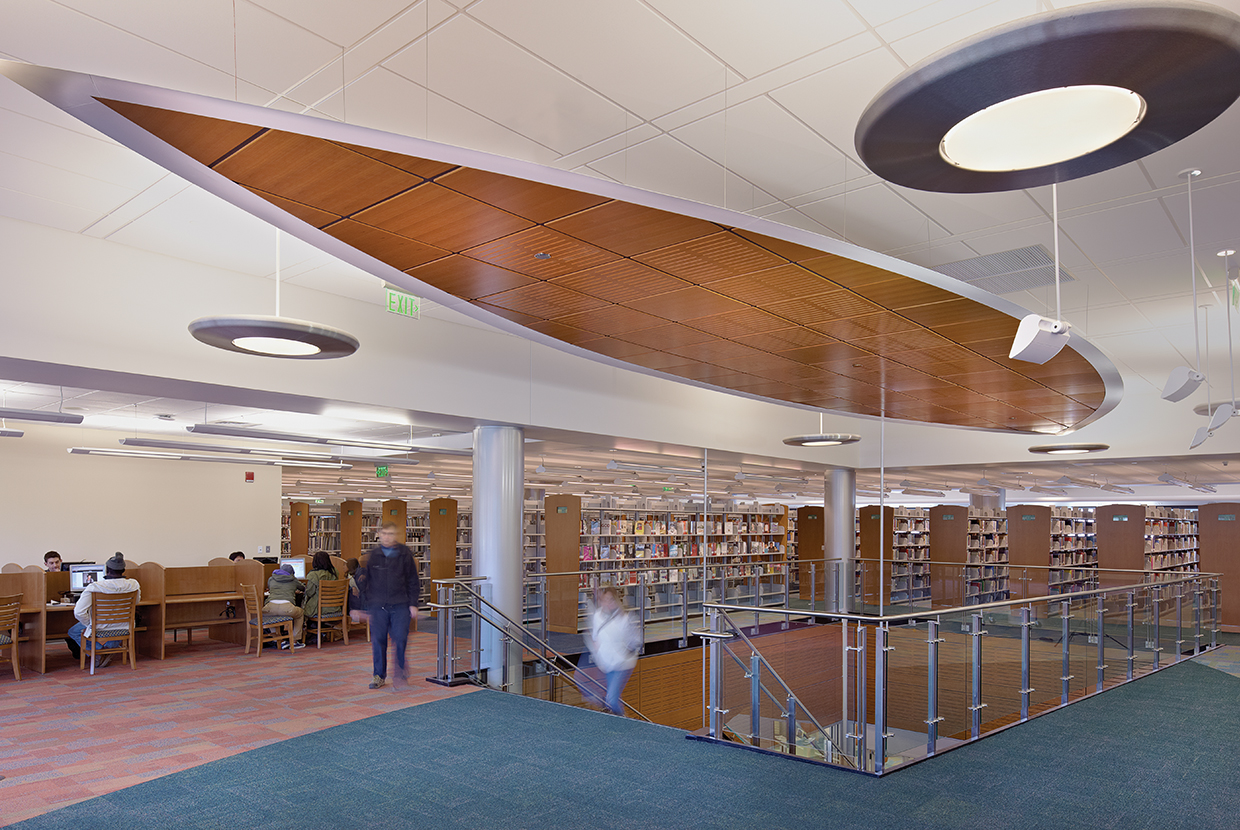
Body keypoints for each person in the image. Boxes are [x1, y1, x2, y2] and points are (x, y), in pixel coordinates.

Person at [357, 522, 419, 689]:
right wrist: (364, 606)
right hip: (378, 606)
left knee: (400, 638)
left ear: (395, 536)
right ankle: (379, 675)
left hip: (400, 604)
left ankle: (400, 674)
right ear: (379, 534)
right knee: (378, 641)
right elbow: (367, 582)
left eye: (390, 534)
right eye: (384, 533)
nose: (387, 537)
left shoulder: (404, 553)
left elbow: (413, 580)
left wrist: (413, 604)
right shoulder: (374, 555)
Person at [67, 552, 141, 668]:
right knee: (114, 629)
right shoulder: (134, 585)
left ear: (107, 570)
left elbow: (79, 612)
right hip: (124, 626)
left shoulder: (95, 587)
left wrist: (90, 624)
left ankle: (97, 652)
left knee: (73, 631)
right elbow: (136, 602)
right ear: (123, 570)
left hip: (100, 626)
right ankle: (109, 650)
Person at [584, 585, 641, 716]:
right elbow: (594, 635)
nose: (608, 603)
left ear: (616, 601)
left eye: (611, 600)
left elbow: (635, 640)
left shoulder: (625, 619)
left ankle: (624, 725)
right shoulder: (597, 616)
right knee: (609, 698)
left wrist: (626, 650)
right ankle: (617, 724)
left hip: (621, 664)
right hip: (606, 664)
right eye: (605, 599)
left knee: (612, 700)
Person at [264, 563, 306, 649]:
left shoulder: (271, 579)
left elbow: (270, 588)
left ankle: (278, 640)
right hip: (287, 608)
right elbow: (303, 588)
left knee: (271, 618)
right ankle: (294, 641)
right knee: (300, 613)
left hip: (269, 607)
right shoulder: (293, 580)